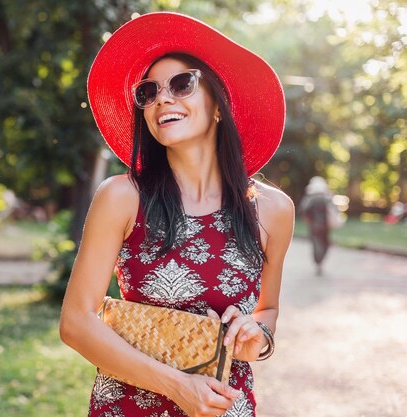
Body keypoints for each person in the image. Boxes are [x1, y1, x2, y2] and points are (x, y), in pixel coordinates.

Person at [59, 12, 294, 417]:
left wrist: (260, 337)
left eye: (182, 84)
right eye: (148, 92)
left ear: (219, 106)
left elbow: (267, 311)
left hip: (224, 409)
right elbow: (76, 322)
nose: (162, 99)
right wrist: (177, 386)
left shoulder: (273, 210)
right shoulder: (122, 197)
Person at [299, 176, 335, 275]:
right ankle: (321, 262)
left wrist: (308, 220)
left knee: (316, 244)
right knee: (325, 243)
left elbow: (303, 210)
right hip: (325, 225)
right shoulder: (327, 197)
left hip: (314, 225)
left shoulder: (310, 198)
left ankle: (318, 263)